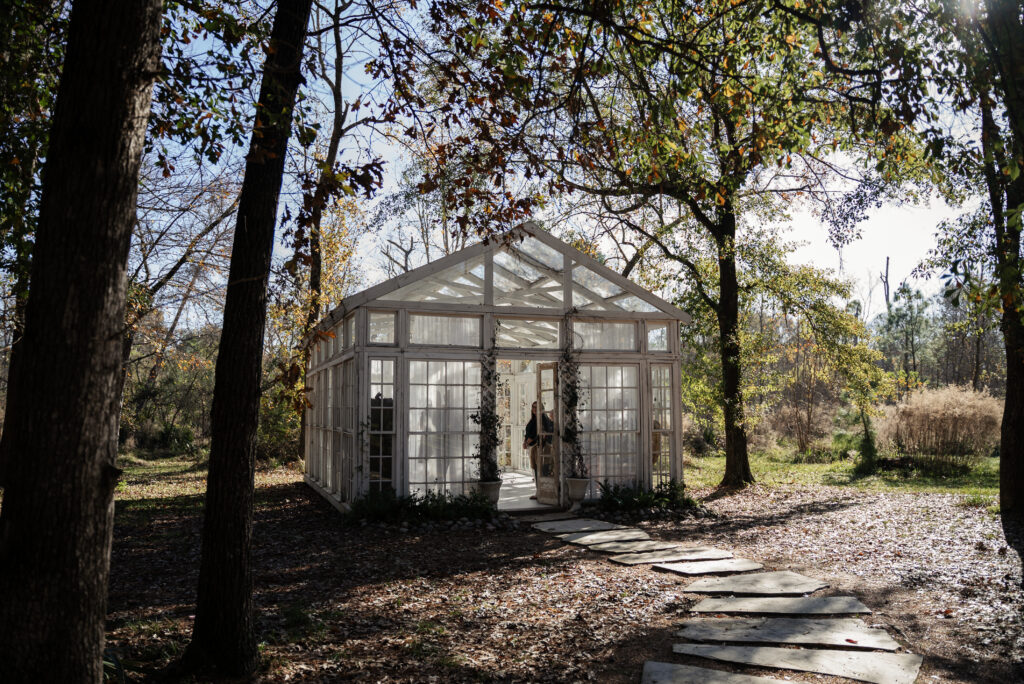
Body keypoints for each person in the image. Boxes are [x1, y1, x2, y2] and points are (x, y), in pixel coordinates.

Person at [523, 401, 554, 499]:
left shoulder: (544, 420)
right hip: (532, 448)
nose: (534, 409)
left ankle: (544, 492)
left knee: (542, 470)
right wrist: (525, 442)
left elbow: (544, 434)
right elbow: (528, 433)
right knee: (535, 470)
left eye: (537, 408)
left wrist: (532, 439)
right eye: (533, 407)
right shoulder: (533, 420)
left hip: (541, 448)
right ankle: (539, 491)